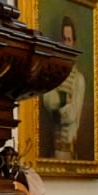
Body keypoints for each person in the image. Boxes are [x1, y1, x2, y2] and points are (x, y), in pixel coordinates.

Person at [40, 16, 87, 160]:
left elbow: (71, 115)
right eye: (64, 39)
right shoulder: (54, 74)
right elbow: (47, 101)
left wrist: (56, 108)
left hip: (68, 151)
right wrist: (65, 99)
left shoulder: (78, 79)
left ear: (73, 42)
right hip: (53, 149)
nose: (66, 44)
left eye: (69, 40)